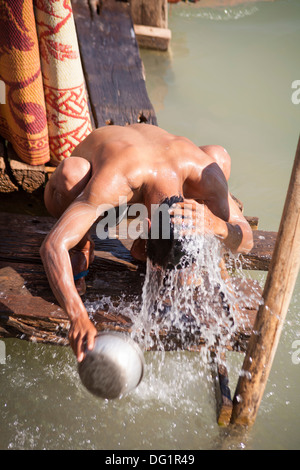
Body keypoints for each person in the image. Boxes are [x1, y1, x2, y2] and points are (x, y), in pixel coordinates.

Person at [40, 124, 253, 361]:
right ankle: (81, 243)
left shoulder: (205, 174)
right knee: (72, 173)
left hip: (159, 167)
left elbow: (247, 240)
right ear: (147, 227)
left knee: (219, 156)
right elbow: (52, 245)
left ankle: (163, 248)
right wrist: (77, 316)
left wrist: (217, 225)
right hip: (100, 179)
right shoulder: (115, 181)